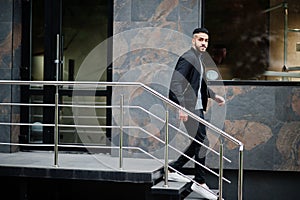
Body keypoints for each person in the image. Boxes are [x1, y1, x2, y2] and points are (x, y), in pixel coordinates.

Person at [168, 27, 225, 200]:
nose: (204, 43)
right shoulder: (189, 57)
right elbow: (175, 84)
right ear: (193, 40)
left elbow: (199, 84)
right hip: (190, 107)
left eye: (206, 41)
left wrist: (214, 96)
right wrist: (182, 107)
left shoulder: (198, 59)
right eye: (200, 40)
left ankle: (173, 169)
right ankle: (199, 182)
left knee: (199, 141)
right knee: (202, 141)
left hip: (197, 106)